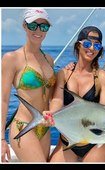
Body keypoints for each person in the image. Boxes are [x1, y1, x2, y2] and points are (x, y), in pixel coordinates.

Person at [45, 26, 105, 162]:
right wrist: (51, 115)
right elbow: (57, 101)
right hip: (66, 142)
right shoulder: (64, 73)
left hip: (94, 144)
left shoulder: (102, 76)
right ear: (78, 46)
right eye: (87, 44)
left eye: (97, 45)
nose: (92, 48)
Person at [1, 8, 55, 162]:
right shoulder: (11, 58)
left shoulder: (49, 60)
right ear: (24, 26)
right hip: (23, 126)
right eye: (33, 25)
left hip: (44, 128)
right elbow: (3, 100)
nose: (38, 30)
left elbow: (53, 96)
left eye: (43, 26)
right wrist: (1, 139)